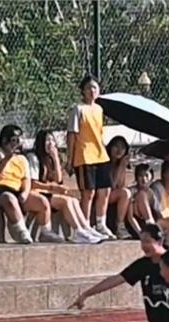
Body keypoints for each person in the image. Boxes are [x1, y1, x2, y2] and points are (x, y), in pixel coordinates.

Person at [0, 124, 64, 244]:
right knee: (9, 198)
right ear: (5, 140)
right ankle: (21, 231)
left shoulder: (22, 159)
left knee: (42, 202)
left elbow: (26, 180)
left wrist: (25, 193)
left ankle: (45, 232)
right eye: (14, 140)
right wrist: (7, 158)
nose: (18, 143)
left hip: (16, 190)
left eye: (19, 140)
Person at [25, 130, 104, 244]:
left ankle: (86, 228)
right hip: (37, 193)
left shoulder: (51, 159)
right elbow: (32, 183)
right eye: (47, 140)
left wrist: (56, 158)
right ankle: (78, 232)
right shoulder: (33, 158)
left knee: (73, 200)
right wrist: (51, 188)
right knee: (65, 201)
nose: (50, 143)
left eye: (52, 140)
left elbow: (59, 180)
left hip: (48, 193)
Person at [66, 74, 115, 239]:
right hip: (84, 155)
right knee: (88, 193)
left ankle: (101, 224)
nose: (92, 91)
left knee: (105, 191)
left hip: (101, 154)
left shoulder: (99, 109)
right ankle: (84, 225)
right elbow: (72, 135)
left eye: (95, 87)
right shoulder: (78, 110)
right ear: (83, 91)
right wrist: (70, 159)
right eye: (88, 88)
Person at [103, 135, 135, 240]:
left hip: (114, 195)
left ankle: (132, 227)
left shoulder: (121, 164)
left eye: (122, 148)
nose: (119, 150)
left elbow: (120, 185)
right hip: (102, 195)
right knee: (125, 193)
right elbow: (111, 185)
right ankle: (120, 225)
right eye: (116, 146)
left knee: (128, 194)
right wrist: (121, 166)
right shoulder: (105, 163)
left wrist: (122, 166)